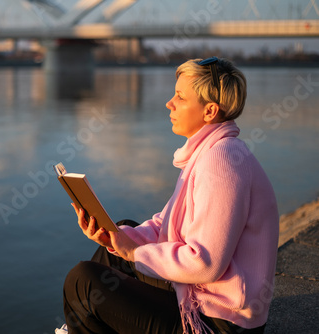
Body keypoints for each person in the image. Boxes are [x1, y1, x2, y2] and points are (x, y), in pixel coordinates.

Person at [58, 57, 279, 334]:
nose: (169, 103)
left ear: (209, 111)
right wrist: (117, 239)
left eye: (180, 97)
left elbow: (205, 262)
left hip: (219, 322)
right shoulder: (210, 152)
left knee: (83, 282)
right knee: (118, 243)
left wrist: (135, 252)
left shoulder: (222, 161)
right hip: (204, 299)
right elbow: (164, 225)